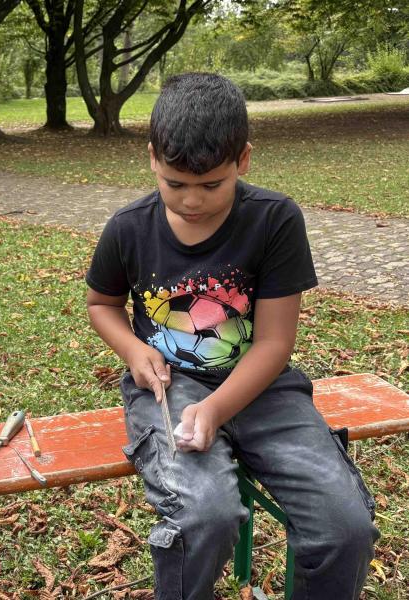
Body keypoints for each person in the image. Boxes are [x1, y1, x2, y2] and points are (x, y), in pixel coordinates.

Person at [85, 72, 378, 599]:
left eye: (211, 185)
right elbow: (101, 303)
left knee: (344, 526)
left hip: (264, 389)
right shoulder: (129, 226)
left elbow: (273, 343)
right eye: (175, 184)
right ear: (152, 157)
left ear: (243, 160)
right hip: (170, 387)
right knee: (204, 515)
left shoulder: (274, 220)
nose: (192, 200)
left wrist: (218, 409)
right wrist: (133, 348)